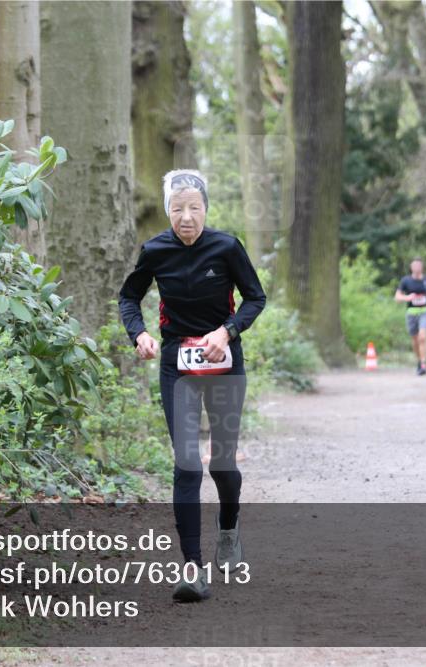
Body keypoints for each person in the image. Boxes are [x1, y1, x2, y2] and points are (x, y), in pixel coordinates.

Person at [118, 169, 266, 602]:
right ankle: (191, 569)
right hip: (176, 365)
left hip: (224, 361)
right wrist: (139, 334)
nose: (186, 216)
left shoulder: (227, 247)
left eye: (194, 207)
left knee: (221, 464)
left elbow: (255, 297)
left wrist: (227, 332)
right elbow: (129, 296)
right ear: (168, 211)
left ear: (205, 209)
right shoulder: (156, 250)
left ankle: (229, 529)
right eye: (178, 208)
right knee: (186, 465)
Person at [394, 258, 426, 375]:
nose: (417, 267)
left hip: (424, 311)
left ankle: (423, 363)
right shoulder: (406, 281)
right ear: (411, 267)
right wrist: (407, 298)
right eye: (415, 265)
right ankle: (419, 360)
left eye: (419, 265)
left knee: (422, 337)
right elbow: (397, 297)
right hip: (411, 313)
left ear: (422, 267)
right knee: (415, 340)